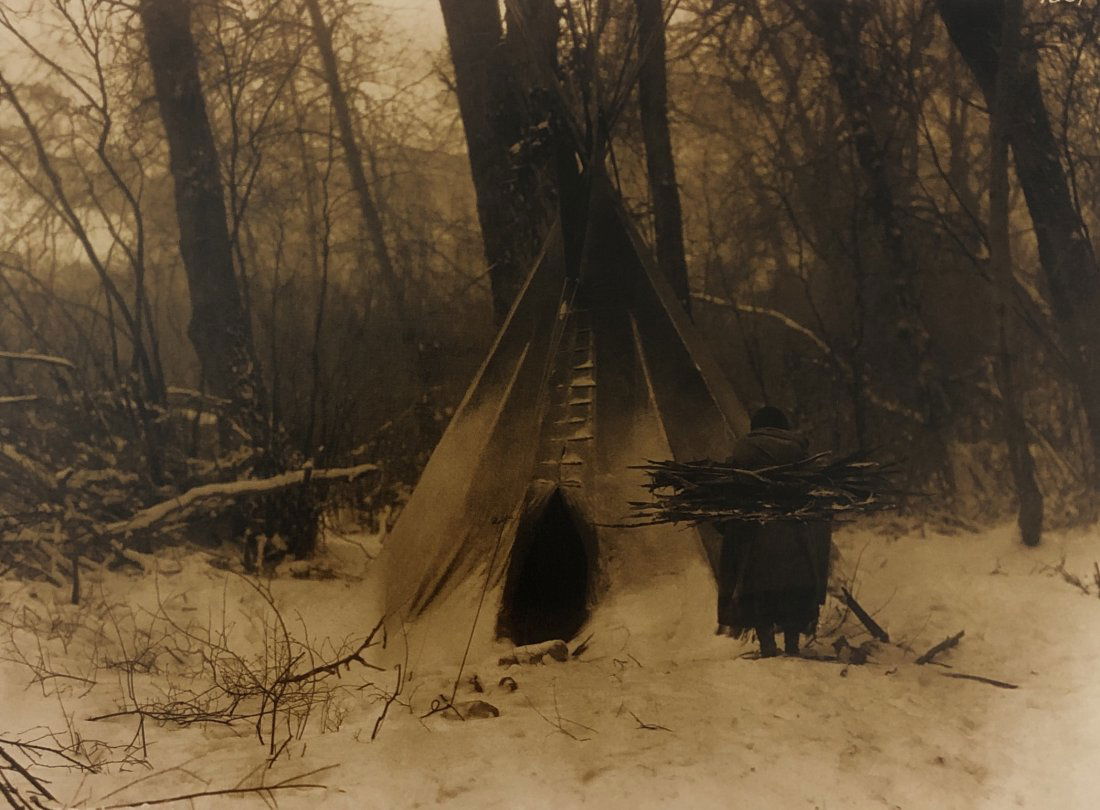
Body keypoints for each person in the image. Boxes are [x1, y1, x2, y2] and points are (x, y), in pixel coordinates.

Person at [717, 406, 831, 657]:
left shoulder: (742, 450)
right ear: (783, 428)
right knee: (794, 590)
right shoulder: (799, 452)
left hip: (756, 538)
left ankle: (767, 645)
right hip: (794, 537)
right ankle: (792, 645)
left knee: (758, 590)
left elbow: (729, 495)